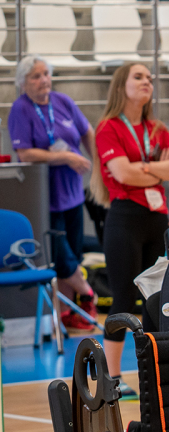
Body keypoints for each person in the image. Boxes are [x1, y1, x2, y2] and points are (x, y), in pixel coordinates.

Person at [90, 64, 169, 398]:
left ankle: (153, 374)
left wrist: (144, 168)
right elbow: (123, 174)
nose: (146, 82)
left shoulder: (158, 129)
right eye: (138, 77)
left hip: (157, 218)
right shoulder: (108, 128)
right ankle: (112, 378)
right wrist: (155, 170)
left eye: (149, 78)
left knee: (156, 297)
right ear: (120, 86)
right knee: (124, 297)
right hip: (125, 218)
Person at [8, 55, 98, 331]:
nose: (43, 80)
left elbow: (87, 131)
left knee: (73, 253)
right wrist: (67, 157)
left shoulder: (63, 101)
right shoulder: (20, 109)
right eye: (35, 76)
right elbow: (25, 153)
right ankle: (87, 293)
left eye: (46, 74)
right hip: (45, 197)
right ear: (23, 82)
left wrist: (97, 165)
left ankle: (66, 313)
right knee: (61, 256)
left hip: (73, 193)